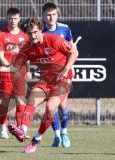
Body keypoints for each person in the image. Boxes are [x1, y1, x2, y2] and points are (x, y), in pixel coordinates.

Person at [0, 18, 79, 153]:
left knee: (50, 108)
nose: (33, 36)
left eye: (35, 32)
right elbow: (14, 67)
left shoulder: (54, 40)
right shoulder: (27, 48)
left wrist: (65, 70)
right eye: (29, 33)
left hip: (63, 79)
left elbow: (74, 52)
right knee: (31, 100)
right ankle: (22, 130)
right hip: (46, 80)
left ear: (41, 30)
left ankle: (36, 140)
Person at [42, 2, 75, 148]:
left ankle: (64, 133)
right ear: (43, 16)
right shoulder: (40, 32)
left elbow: (72, 50)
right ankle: (56, 137)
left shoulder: (65, 29)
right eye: (48, 14)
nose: (51, 17)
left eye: (54, 14)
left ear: (57, 15)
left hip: (64, 73)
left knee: (62, 105)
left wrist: (67, 69)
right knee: (50, 107)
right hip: (48, 75)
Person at [0, 7, 29, 139]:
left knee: (21, 102)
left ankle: (20, 128)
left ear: (19, 19)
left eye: (15, 18)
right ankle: (3, 126)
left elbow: (26, 56)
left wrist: (28, 70)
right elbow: (0, 55)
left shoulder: (25, 36)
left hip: (21, 73)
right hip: (7, 73)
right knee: (5, 102)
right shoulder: (1, 34)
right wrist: (9, 67)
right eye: (10, 18)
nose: (13, 21)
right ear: (6, 18)